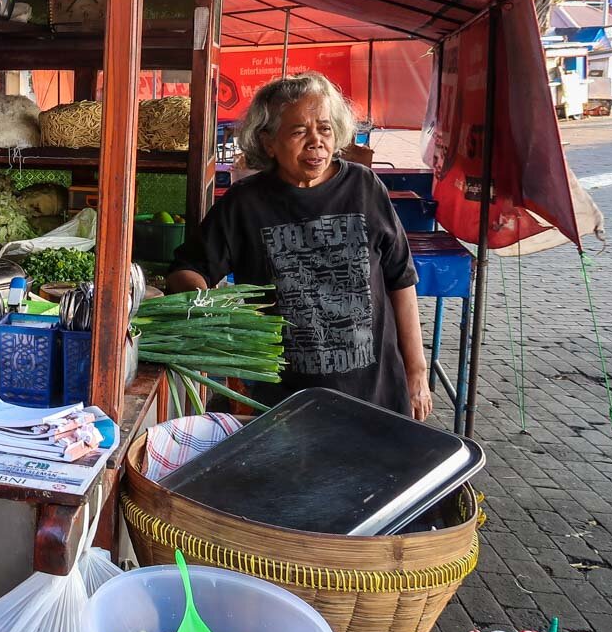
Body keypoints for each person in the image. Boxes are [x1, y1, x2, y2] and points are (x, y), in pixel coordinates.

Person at [166, 73, 433, 421]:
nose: (316, 142)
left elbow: (401, 279)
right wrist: (208, 307)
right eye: (298, 132)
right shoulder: (246, 204)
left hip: (375, 393)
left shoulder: (364, 187)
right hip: (285, 402)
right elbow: (186, 270)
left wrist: (417, 372)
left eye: (324, 128)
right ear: (268, 143)